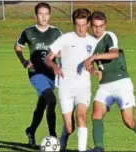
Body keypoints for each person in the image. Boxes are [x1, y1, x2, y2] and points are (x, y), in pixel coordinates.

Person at [84, 11, 136, 152]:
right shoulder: (89, 42)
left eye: (101, 26)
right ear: (91, 26)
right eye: (95, 26)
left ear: (105, 25)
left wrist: (94, 57)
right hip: (105, 86)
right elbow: (89, 65)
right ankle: (99, 148)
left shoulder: (109, 36)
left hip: (121, 83)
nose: (98, 30)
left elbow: (114, 54)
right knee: (96, 114)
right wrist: (93, 70)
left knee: (128, 121)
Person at [45, 8, 98, 151]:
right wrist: (55, 66)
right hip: (65, 86)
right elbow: (48, 58)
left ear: (88, 24)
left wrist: (95, 71)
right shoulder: (66, 38)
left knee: (81, 116)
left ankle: (82, 149)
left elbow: (95, 64)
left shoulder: (93, 42)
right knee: (69, 128)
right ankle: (63, 139)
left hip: (83, 87)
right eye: (77, 25)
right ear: (74, 24)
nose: (80, 28)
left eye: (83, 25)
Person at [14, 2, 62, 147]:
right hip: (36, 74)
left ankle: (31, 130)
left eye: (46, 14)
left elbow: (63, 50)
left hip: (51, 75)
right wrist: (23, 61)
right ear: (35, 15)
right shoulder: (28, 32)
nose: (44, 17)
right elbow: (17, 47)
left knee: (42, 105)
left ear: (50, 15)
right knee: (52, 100)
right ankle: (53, 137)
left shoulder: (56, 32)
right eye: (40, 14)